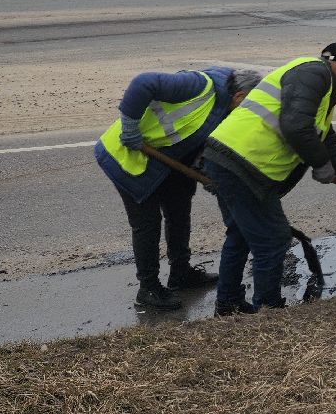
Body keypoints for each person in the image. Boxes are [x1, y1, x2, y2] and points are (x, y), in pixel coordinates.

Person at [203, 41, 336, 315]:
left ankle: (228, 304)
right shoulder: (315, 75)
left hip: (229, 159)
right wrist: (320, 164)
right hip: (244, 165)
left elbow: (326, 139)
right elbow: (296, 126)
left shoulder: (315, 86)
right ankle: (269, 311)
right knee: (272, 239)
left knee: (240, 235)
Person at [94, 66, 263, 311]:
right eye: (249, 106)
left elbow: (199, 137)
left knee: (179, 211)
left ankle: (181, 273)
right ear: (240, 96)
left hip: (166, 161)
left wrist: (210, 176)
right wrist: (129, 128)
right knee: (147, 223)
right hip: (129, 155)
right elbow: (143, 82)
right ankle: (148, 288)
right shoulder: (198, 85)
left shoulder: (226, 108)